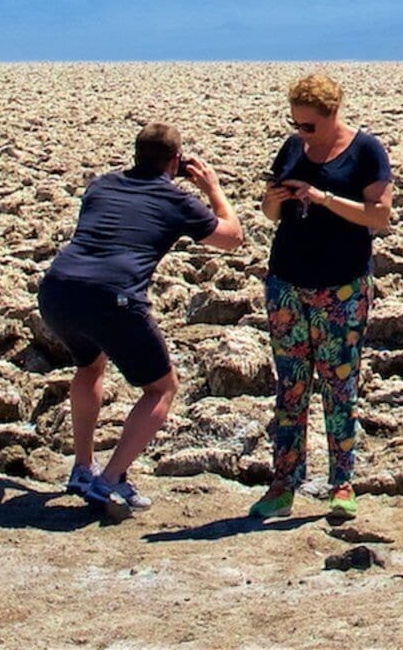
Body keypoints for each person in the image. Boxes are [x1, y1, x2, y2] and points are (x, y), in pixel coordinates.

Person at [34, 121, 244, 519]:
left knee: (89, 364)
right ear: (177, 162)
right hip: (114, 298)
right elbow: (232, 237)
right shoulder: (176, 199)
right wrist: (213, 188)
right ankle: (111, 478)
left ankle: (83, 468)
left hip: (58, 289)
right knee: (162, 388)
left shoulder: (101, 185)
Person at [248, 70, 394, 520]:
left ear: (333, 115)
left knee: (338, 385)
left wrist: (324, 197)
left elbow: (380, 216)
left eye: (309, 125)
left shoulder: (366, 152)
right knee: (291, 387)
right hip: (287, 283)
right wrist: (276, 198)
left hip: (342, 287)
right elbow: (271, 215)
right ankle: (283, 484)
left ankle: (342, 483)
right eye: (295, 123)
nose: (300, 133)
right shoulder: (293, 149)